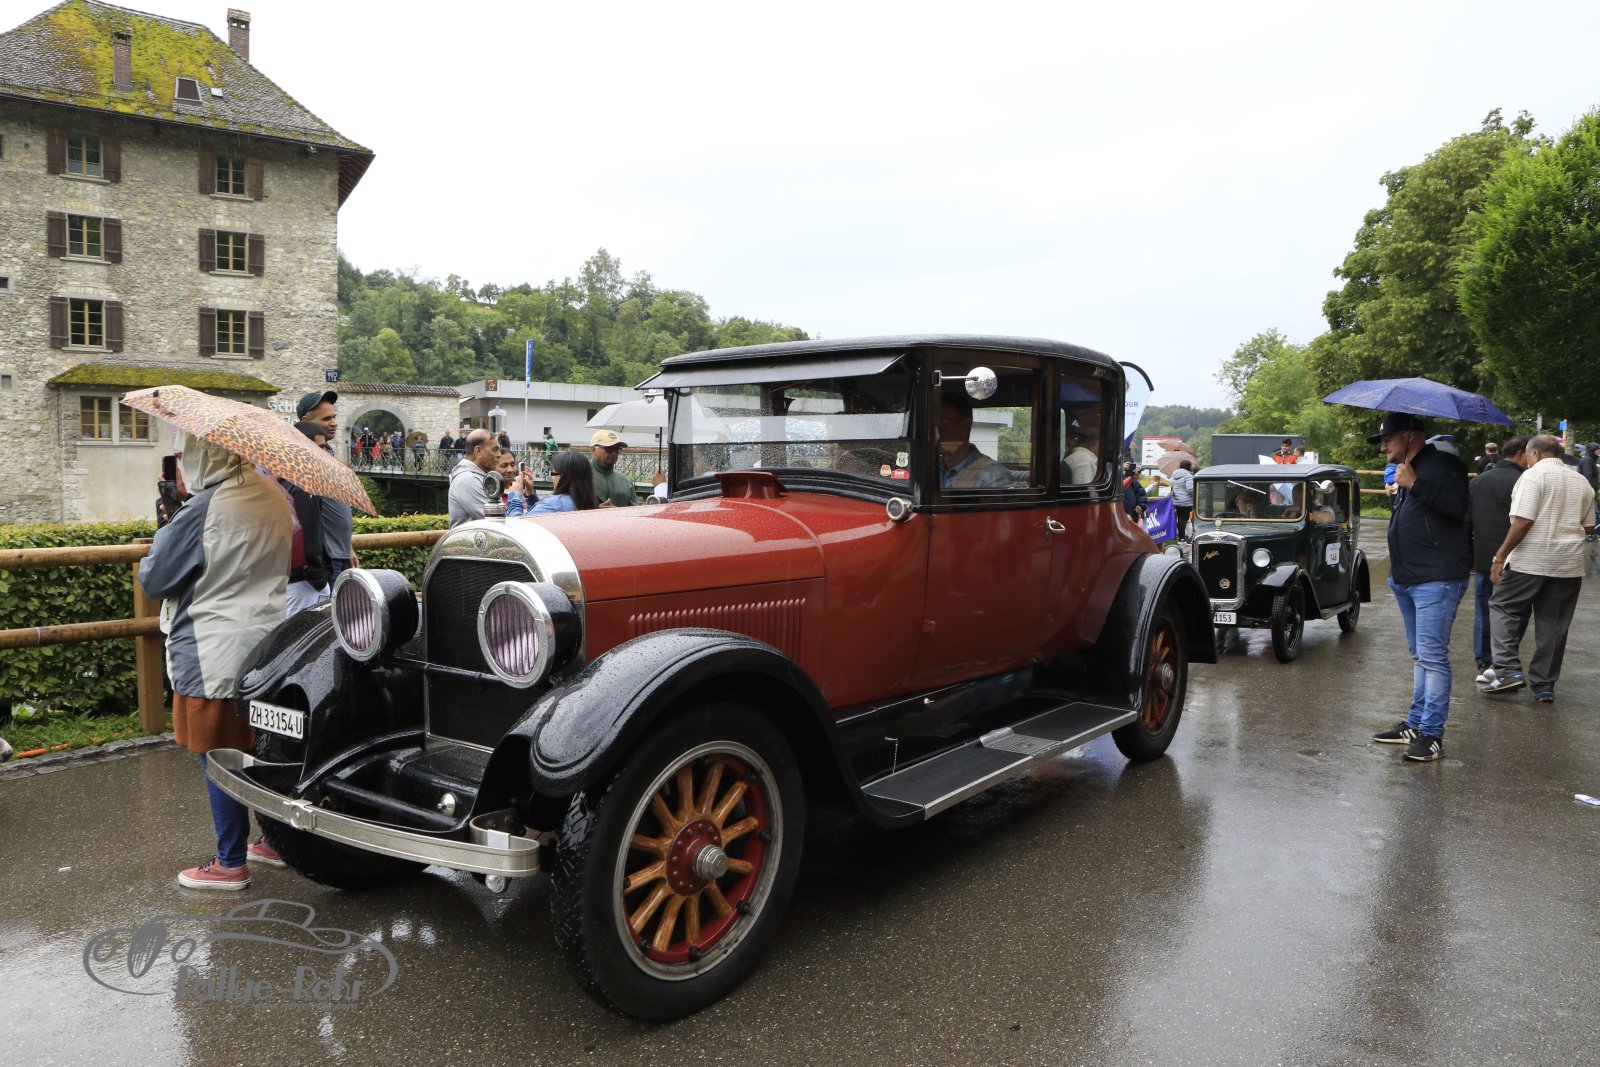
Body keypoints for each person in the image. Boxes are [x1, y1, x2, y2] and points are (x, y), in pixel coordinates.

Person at [138, 432, 293, 890]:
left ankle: (230, 863)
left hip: (212, 647)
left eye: (186, 455)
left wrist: (168, 523)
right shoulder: (273, 495)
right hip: (268, 642)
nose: (183, 464)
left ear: (204, 456)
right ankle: (276, 841)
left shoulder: (203, 509)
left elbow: (156, 579)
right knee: (262, 746)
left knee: (219, 753)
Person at [1368, 412, 1470, 763]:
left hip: (1436, 578)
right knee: (1421, 656)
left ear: (1410, 434)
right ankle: (1415, 724)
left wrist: (1415, 484)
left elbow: (1458, 507)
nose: (1383, 446)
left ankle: (1432, 735)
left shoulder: (1443, 464)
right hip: (1408, 577)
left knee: (1432, 658)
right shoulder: (1407, 468)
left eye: (1388, 438)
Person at [1480, 435, 1596, 702]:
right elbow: (1589, 526)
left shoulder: (1532, 477)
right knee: (1554, 623)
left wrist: (1500, 557)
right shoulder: (1581, 482)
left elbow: (1523, 520)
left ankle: (1507, 670)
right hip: (1567, 563)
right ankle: (1544, 684)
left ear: (1534, 453)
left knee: (1503, 607)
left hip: (1529, 560)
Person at [1468, 436, 1528, 680]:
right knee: (1513, 612)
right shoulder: (1524, 482)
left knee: (1483, 609)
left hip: (1483, 558)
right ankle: (1503, 660)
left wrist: (1469, 556)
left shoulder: (1477, 481)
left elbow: (1467, 521)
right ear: (1521, 454)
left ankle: (1483, 657)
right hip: (1515, 558)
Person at [296, 390, 357, 583]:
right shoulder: (304, 459)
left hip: (340, 553)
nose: (334, 423)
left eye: (334, 417)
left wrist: (347, 546)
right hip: (327, 558)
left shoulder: (327, 453)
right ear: (306, 421)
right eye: (327, 418)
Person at [284, 421, 332, 615]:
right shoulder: (304, 485)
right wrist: (318, 577)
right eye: (320, 447)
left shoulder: (283, 479)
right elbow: (309, 533)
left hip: (290, 577)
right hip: (304, 583)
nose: (325, 453)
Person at [935, 393, 1013, 489]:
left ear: (965, 426)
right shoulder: (929, 469)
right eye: (933, 424)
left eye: (943, 423)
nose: (935, 431)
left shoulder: (993, 475)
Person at [448, 429, 501, 526]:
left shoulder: (477, 476)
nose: (499, 454)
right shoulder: (467, 480)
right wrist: (516, 495)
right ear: (478, 451)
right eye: (495, 449)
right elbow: (496, 520)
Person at [529, 449, 602, 514]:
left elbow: (525, 522)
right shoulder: (592, 503)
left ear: (565, 477)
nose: (551, 476)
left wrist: (520, 493)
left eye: (553, 473)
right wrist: (530, 494)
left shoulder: (554, 505)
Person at [590, 429, 639, 506]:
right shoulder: (579, 476)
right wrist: (596, 509)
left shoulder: (626, 482)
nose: (614, 453)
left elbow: (636, 511)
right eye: (609, 449)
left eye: (617, 450)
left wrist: (616, 511)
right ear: (593, 450)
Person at [1061, 417, 1098, 485]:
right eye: (1066, 436)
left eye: (1075, 438)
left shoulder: (1080, 457)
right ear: (1093, 443)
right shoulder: (1083, 460)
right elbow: (1082, 490)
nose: (1071, 442)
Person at [1169, 459, 1195, 539]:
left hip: (1176, 501)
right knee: (1186, 520)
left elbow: (1172, 486)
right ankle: (1187, 537)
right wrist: (1196, 491)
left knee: (1180, 519)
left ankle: (1181, 538)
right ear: (1189, 466)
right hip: (1186, 502)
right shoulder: (1188, 475)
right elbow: (1190, 489)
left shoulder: (1174, 474)